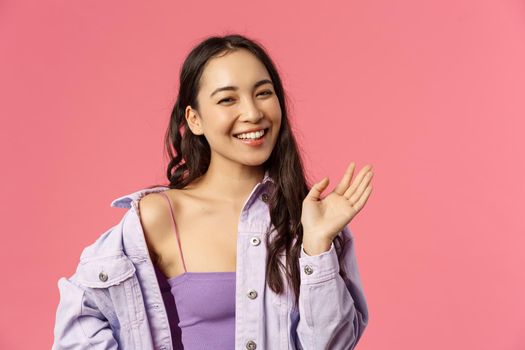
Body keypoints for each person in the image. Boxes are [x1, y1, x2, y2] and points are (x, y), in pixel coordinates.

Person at [52, 33, 373, 350]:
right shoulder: (160, 215)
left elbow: (333, 346)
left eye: (263, 93)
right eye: (227, 99)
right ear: (194, 120)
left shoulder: (309, 217)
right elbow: (80, 315)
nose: (252, 113)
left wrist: (317, 247)